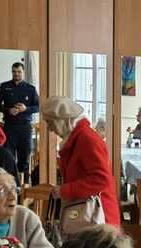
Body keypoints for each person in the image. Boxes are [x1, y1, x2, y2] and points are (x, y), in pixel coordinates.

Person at [41, 96, 121, 227]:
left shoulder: (87, 139)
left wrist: (64, 190)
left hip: (98, 215)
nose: (50, 129)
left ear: (63, 120)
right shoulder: (78, 138)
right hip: (86, 212)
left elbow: (101, 179)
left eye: (50, 123)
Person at [0, 62, 40, 168]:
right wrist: (8, 110)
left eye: (19, 72)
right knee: (8, 156)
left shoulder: (30, 88)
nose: (16, 74)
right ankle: (12, 182)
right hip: (10, 126)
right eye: (14, 71)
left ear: (23, 72)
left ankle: (26, 182)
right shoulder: (4, 86)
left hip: (25, 126)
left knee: (25, 156)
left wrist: (25, 109)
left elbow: (38, 106)